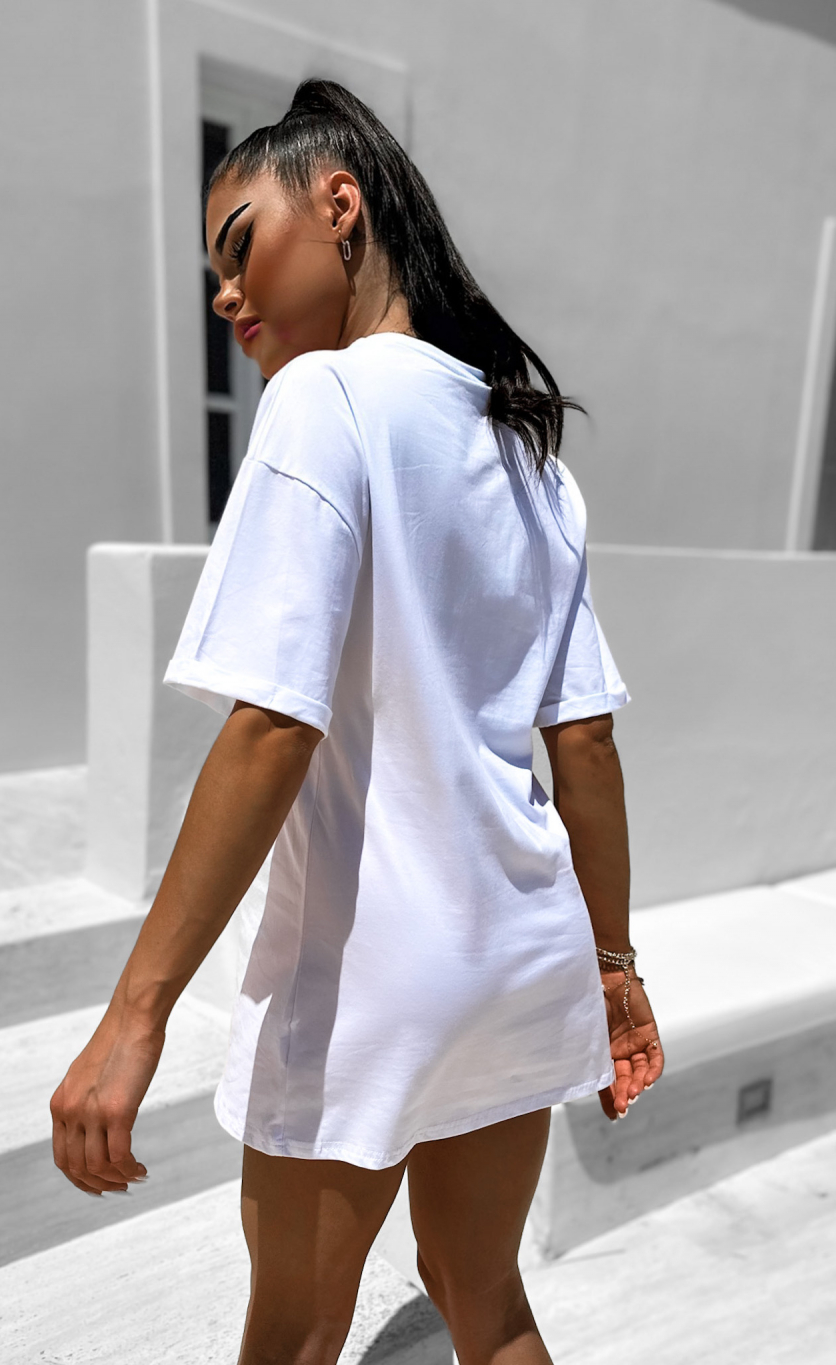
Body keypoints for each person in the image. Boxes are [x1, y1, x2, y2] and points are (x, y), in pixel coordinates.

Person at [50, 77, 664, 1365]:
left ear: (340, 207)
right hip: (519, 955)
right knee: (484, 1299)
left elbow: (273, 727)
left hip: (371, 979)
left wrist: (135, 1014)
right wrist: (613, 969)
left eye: (241, 247)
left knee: (293, 1333)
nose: (227, 296)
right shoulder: (529, 455)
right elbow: (587, 745)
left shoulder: (321, 400)